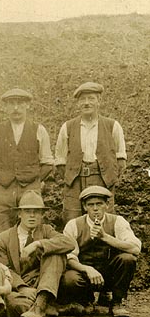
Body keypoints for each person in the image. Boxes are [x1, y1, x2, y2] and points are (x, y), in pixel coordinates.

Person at [60, 186, 141, 317]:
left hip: (110, 274)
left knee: (128, 259)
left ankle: (117, 302)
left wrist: (105, 237)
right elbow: (69, 257)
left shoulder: (117, 221)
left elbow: (135, 248)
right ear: (85, 207)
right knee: (69, 278)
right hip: (85, 274)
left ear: (107, 205)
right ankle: (86, 300)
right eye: (91, 205)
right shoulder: (74, 224)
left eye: (99, 204)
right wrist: (87, 269)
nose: (95, 208)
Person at [0, 190, 74, 317]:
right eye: (27, 211)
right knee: (14, 304)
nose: (32, 216)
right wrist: (22, 287)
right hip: (20, 286)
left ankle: (41, 302)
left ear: (42, 215)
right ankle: (50, 307)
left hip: (45, 282)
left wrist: (38, 244)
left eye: (36, 212)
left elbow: (69, 243)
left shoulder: (46, 230)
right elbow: (4, 268)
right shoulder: (4, 238)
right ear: (19, 214)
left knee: (56, 254)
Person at [55, 82, 127, 222]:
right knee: (72, 220)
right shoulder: (67, 127)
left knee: (103, 220)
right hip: (74, 181)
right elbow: (60, 161)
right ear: (78, 103)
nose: (86, 103)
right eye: (82, 99)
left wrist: (108, 177)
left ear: (99, 101)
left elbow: (120, 160)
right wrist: (72, 175)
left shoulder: (113, 126)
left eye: (91, 98)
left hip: (102, 179)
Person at [0, 88, 54, 232]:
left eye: (20, 103)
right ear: (5, 107)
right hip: (2, 190)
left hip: (29, 188)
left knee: (31, 228)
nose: (16, 108)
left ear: (28, 105)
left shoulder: (39, 130)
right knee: (0, 230)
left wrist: (34, 181)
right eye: (11, 104)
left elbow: (48, 163)